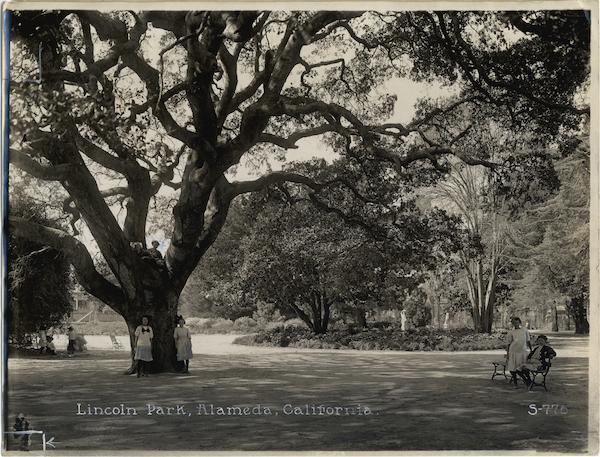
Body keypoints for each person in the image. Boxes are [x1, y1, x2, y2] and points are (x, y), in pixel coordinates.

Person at [506, 317, 532, 387]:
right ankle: (515, 383)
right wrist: (507, 353)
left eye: (516, 322)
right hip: (513, 351)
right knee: (513, 368)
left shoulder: (524, 330)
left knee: (522, 367)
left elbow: (528, 340)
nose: (515, 324)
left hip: (522, 352)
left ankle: (528, 380)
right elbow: (508, 343)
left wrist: (531, 350)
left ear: (519, 322)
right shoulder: (511, 332)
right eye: (513, 323)